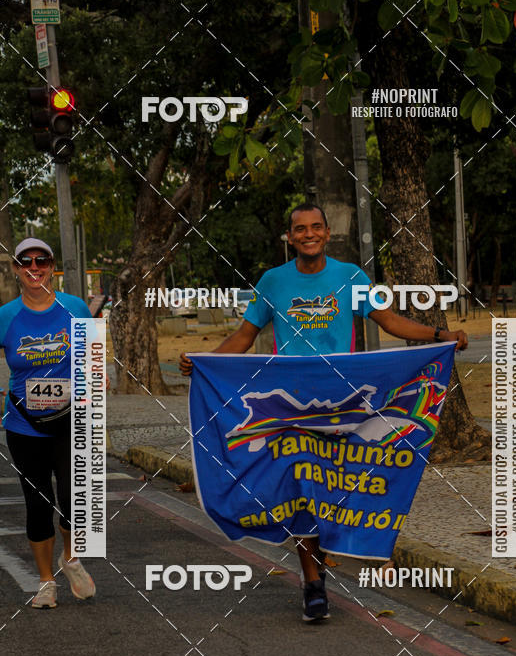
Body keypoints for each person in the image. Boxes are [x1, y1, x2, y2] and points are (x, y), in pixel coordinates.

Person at [180, 203, 467, 623]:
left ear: (327, 234)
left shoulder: (351, 276)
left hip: (347, 403)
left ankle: (339, 548)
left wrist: (441, 335)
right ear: (290, 237)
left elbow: (388, 320)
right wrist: (203, 361)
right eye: (300, 229)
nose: (308, 234)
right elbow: (245, 335)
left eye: (316, 227)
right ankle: (313, 583)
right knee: (302, 490)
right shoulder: (272, 282)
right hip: (292, 407)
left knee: (344, 483)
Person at [0, 238, 96, 608]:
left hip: (71, 422)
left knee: (75, 501)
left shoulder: (75, 309)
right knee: (38, 504)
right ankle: (45, 583)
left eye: (41, 261)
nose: (34, 267)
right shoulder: (6, 316)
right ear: (16, 269)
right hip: (25, 427)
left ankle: (70, 558)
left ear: (52, 266)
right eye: (26, 262)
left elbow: (93, 359)